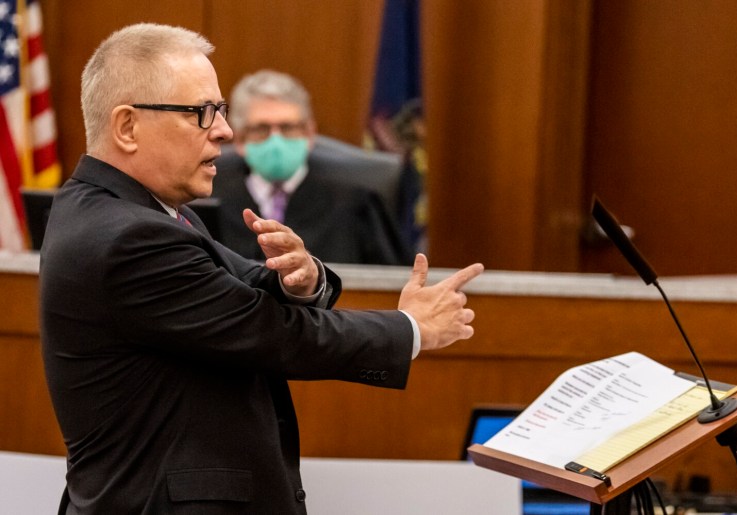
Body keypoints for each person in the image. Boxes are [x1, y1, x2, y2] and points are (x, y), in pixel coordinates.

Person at [39, 23, 484, 514]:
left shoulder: (131, 209)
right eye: (201, 113)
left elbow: (246, 283)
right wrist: (411, 329)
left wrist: (302, 278)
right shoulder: (129, 236)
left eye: (222, 111)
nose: (225, 132)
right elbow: (269, 332)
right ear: (127, 126)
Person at [212, 69, 411, 265]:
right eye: (261, 129)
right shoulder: (209, 198)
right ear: (239, 139)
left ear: (309, 133)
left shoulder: (354, 203)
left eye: (288, 127)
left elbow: (389, 285)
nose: (276, 140)